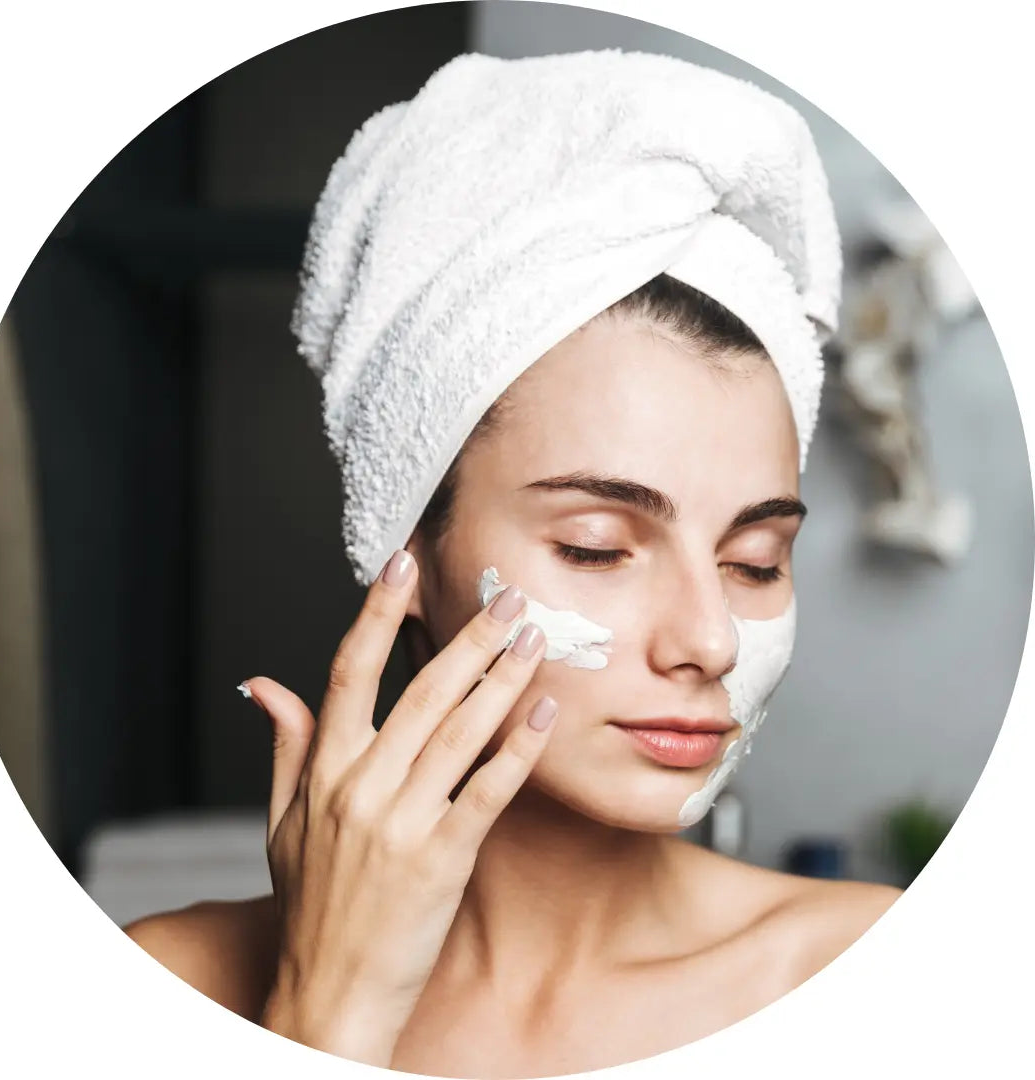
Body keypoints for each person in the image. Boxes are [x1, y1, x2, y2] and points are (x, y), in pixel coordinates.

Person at [124, 50, 902, 1077]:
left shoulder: (872, 979)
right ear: (405, 547)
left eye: (756, 562)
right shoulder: (168, 986)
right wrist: (329, 1012)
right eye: (597, 548)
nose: (709, 640)